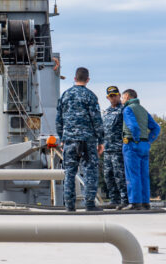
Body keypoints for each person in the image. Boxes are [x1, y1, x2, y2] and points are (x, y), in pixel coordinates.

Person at [55, 66, 104, 212]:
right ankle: (89, 203)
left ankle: (69, 205)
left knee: (69, 172)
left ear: (75, 78)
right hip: (88, 140)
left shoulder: (65, 95)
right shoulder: (90, 96)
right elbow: (97, 120)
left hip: (70, 139)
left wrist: (62, 139)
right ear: (87, 79)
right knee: (90, 171)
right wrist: (101, 141)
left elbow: (59, 120)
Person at [121, 89, 161, 211]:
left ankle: (134, 203)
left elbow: (133, 126)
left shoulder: (128, 109)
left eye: (122, 97)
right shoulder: (143, 110)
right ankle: (145, 202)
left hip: (132, 145)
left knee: (132, 174)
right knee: (144, 175)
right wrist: (148, 141)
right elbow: (156, 128)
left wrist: (136, 138)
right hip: (144, 146)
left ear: (127, 96)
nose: (122, 100)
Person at [100, 85, 129, 209]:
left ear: (119, 95)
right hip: (107, 149)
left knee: (120, 175)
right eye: (110, 96)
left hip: (118, 148)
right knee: (108, 175)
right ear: (107, 97)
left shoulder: (123, 110)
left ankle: (124, 199)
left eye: (115, 95)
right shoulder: (106, 112)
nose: (113, 98)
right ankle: (114, 200)